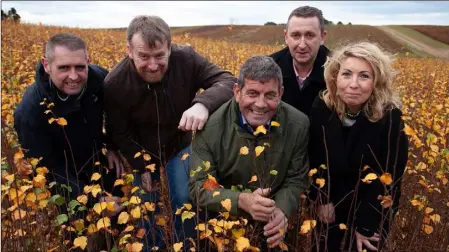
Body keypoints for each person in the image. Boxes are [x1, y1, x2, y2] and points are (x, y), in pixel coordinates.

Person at [103, 15, 236, 245]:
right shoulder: (115, 83)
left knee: (185, 200)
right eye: (143, 56)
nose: (153, 65)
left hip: (179, 145)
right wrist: (141, 165)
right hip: (141, 150)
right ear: (129, 51)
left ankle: (187, 246)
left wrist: (203, 104)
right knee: (147, 207)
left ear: (170, 48)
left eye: (160, 56)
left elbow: (226, 80)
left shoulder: (188, 59)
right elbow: (119, 132)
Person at [189, 56, 310, 249]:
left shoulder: (298, 124)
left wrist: (282, 210)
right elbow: (200, 187)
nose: (260, 104)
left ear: (280, 94)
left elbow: (296, 178)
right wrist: (242, 201)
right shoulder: (210, 127)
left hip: (272, 220)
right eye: (252, 93)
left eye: (270, 95)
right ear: (237, 92)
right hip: (224, 221)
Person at [308, 42, 408, 252]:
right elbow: (315, 158)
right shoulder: (322, 108)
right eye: (347, 74)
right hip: (329, 210)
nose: (354, 84)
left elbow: (389, 176)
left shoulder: (390, 118)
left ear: (376, 82)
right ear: (335, 77)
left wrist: (366, 224)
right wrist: (322, 199)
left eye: (364, 76)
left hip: (371, 209)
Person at [14, 33, 123, 199]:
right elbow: (46, 171)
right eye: (64, 68)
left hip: (97, 164)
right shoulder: (30, 111)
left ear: (88, 61)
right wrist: (95, 201)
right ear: (46, 65)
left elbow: (115, 114)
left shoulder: (100, 79)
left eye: (80, 67)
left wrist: (111, 146)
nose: (73, 76)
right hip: (63, 185)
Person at [270, 6, 331, 117]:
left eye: (310, 35)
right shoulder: (270, 67)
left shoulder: (338, 70)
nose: (302, 45)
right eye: (296, 35)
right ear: (286, 37)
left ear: (322, 37)